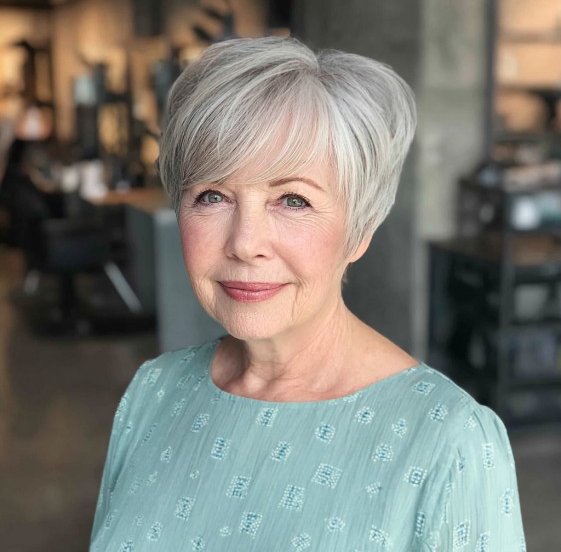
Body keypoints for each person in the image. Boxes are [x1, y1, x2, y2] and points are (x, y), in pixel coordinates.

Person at [90, 37, 526, 552]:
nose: (245, 243)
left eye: (292, 200)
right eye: (212, 195)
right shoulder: (154, 392)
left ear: (359, 230)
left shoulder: (449, 443)